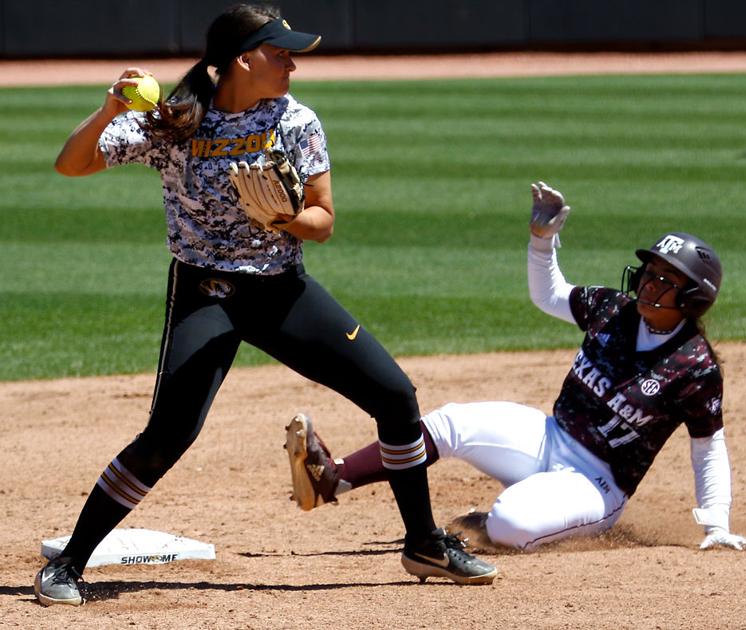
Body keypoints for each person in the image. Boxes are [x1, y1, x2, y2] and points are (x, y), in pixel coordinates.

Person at [33, 3, 496, 607]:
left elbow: (323, 221)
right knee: (169, 433)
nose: (292, 64)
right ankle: (68, 565)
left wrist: (283, 217)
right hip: (207, 294)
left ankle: (424, 543)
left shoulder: (296, 120)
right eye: (281, 53)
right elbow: (72, 164)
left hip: (283, 291)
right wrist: (109, 111)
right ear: (242, 60)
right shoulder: (172, 122)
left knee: (396, 397)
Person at [285, 181, 746, 554]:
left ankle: (492, 528)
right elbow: (549, 295)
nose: (649, 283)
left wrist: (716, 524)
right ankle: (332, 477)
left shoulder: (693, 367)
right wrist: (542, 241)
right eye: (651, 272)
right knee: (450, 422)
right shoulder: (613, 309)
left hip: (596, 484)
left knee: (510, 523)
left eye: (666, 279)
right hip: (548, 437)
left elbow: (708, 446)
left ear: (693, 298)